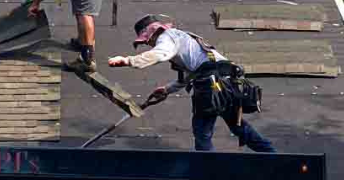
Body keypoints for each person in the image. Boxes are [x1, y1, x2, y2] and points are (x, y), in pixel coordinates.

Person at [107, 14, 275, 153]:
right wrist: (167, 89)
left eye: (146, 41)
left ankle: (207, 171)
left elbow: (160, 54)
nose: (148, 44)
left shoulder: (167, 37)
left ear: (152, 33)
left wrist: (126, 60)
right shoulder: (184, 38)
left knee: (202, 130)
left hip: (213, 84)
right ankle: (270, 155)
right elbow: (194, 72)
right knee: (236, 125)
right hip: (228, 82)